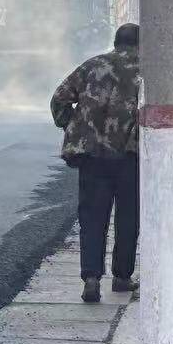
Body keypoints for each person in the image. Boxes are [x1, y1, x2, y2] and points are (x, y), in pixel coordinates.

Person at [51, 23, 141, 304]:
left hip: (93, 156)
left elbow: (59, 99)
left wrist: (72, 125)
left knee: (92, 218)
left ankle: (91, 278)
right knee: (128, 218)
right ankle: (122, 277)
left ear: (116, 42)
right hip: (131, 156)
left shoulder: (93, 66)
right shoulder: (148, 70)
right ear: (141, 44)